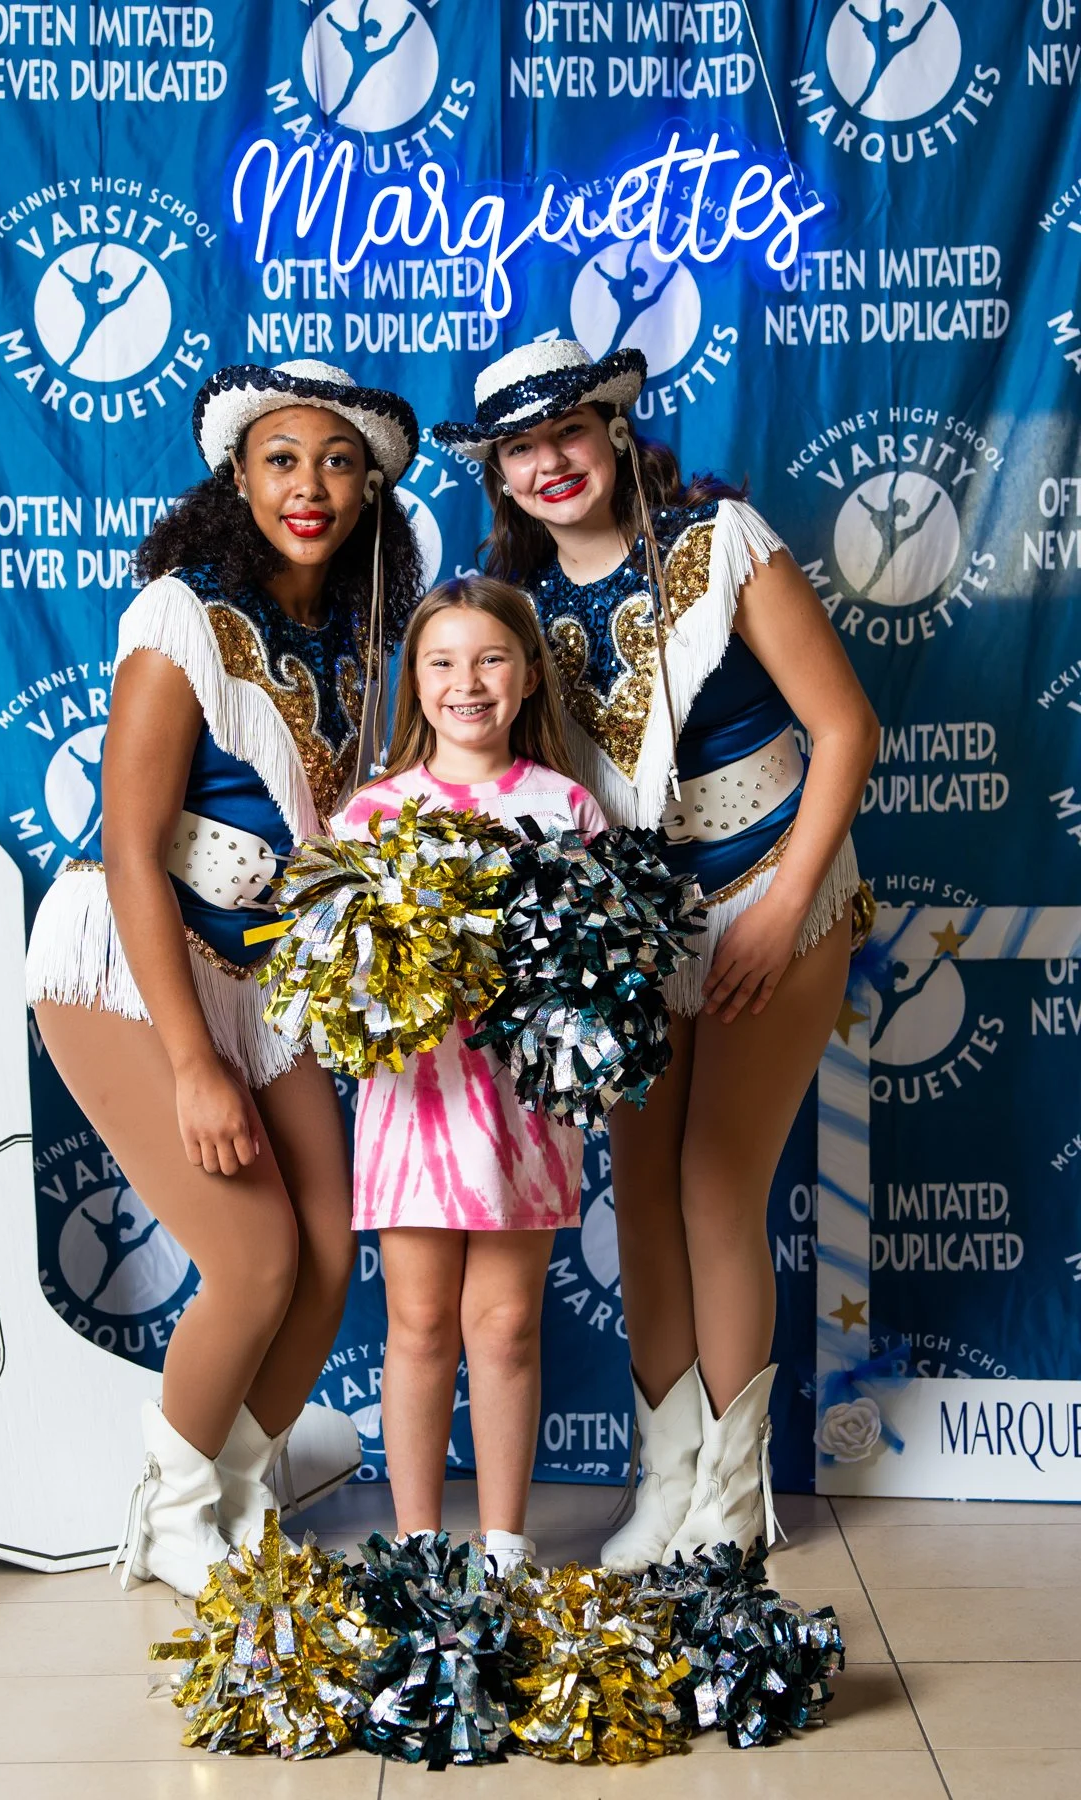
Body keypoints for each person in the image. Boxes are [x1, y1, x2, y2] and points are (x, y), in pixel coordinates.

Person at [433, 342, 878, 1569]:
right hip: (631, 929)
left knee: (716, 1186)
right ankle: (666, 1477)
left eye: (568, 433)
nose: (550, 463)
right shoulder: (514, 608)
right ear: (500, 476)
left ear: (615, 430)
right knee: (639, 1201)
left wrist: (785, 909)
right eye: (521, 449)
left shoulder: (722, 543)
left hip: (773, 889)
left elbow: (846, 727)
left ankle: (734, 1497)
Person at [26, 359, 423, 1595]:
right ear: (237, 479)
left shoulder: (358, 641)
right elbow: (130, 852)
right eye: (282, 460)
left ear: (370, 489)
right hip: (126, 961)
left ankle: (240, 1492)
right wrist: (195, 1064)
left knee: (329, 1249)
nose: (311, 486)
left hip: (258, 977)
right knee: (255, 1259)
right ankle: (169, 1514)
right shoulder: (180, 618)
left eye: (338, 462)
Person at [333, 577, 606, 1574]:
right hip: (414, 1104)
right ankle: (416, 1548)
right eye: (442, 662)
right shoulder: (373, 815)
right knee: (417, 1323)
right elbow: (336, 979)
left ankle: (503, 1548)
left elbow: (599, 966)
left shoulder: (566, 807)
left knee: (506, 1325)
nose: (468, 682)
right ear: (414, 681)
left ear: (529, 676)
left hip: (524, 1109)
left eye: (491, 659)